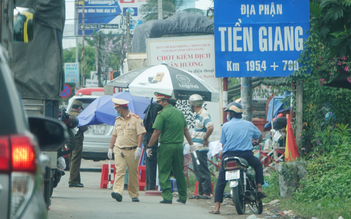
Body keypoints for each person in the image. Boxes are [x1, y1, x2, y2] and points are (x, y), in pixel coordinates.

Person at [209, 102, 266, 214]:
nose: (228, 115)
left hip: (228, 156)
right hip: (245, 155)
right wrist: (257, 142)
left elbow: (223, 145)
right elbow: (259, 135)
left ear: (231, 114)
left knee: (221, 180)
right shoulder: (249, 124)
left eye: (228, 113)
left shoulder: (225, 126)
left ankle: (216, 208)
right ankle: (259, 188)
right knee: (258, 165)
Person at [147, 92, 194, 204]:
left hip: (166, 146)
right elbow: (185, 130)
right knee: (179, 171)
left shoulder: (162, 114)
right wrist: (191, 144)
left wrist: (149, 146)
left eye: (159, 101)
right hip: (179, 146)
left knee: (164, 171)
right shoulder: (179, 113)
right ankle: (183, 196)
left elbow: (156, 132)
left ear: (165, 101)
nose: (158, 104)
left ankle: (167, 196)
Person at [108, 98, 146, 202]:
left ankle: (134, 194)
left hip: (132, 150)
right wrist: (110, 148)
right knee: (120, 171)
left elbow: (140, 134)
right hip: (119, 149)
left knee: (133, 172)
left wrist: (139, 148)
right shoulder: (118, 120)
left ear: (120, 108)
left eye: (116, 108)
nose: (116, 110)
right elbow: (114, 135)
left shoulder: (136, 119)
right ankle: (117, 192)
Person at [188, 94, 214, 200]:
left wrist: (205, 138)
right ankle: (201, 192)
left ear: (193, 104)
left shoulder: (203, 114)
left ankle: (207, 192)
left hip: (200, 148)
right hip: (196, 147)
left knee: (202, 169)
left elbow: (210, 127)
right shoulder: (198, 114)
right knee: (197, 169)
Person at [142, 100, 163, 190]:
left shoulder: (152, 106)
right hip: (152, 137)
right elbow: (155, 127)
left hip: (148, 136)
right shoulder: (156, 108)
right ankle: (151, 185)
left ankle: (150, 184)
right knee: (151, 162)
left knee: (150, 162)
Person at [67, 100, 88, 187]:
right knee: (76, 159)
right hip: (77, 139)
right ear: (79, 108)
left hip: (68, 139)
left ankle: (77, 180)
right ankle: (73, 181)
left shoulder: (67, 114)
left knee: (71, 158)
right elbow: (84, 128)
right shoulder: (79, 116)